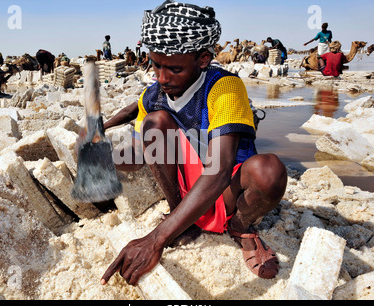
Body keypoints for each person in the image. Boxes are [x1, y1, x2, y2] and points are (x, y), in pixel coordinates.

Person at [100, 0, 287, 286]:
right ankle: (182, 222)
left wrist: (156, 238)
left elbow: (220, 170)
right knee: (155, 122)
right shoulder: (157, 93)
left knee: (269, 172)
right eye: (156, 65)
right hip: (190, 189)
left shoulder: (223, 87)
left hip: (226, 189)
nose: (162, 78)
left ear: (202, 59)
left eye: (174, 69)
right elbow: (137, 138)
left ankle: (240, 226)